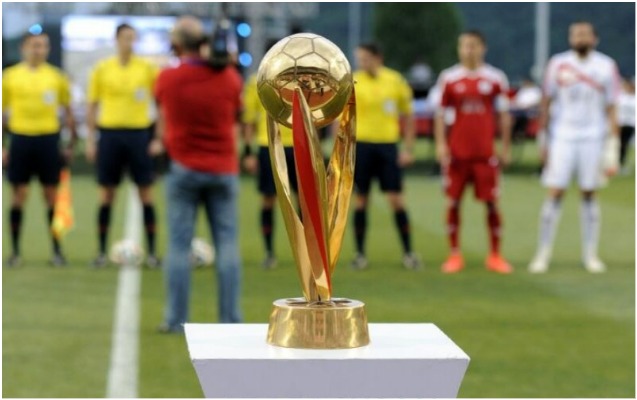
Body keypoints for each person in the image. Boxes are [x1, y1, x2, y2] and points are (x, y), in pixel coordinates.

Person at [155, 16, 243, 331]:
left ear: (177, 44)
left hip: (184, 168)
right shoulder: (230, 77)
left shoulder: (167, 78)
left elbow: (162, 114)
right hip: (223, 168)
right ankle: (230, 320)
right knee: (227, 244)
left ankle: (175, 319)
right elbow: (236, 114)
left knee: (179, 246)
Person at [529, 21, 621, 274]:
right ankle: (543, 253)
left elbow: (612, 106)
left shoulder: (606, 66)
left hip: (593, 137)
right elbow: (546, 102)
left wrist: (613, 145)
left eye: (585, 34)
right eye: (576, 34)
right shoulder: (558, 63)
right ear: (570, 38)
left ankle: (590, 254)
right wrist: (542, 139)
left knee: (589, 193)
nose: (580, 38)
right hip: (562, 136)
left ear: (594, 38)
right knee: (555, 192)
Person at [433, 30, 513, 274]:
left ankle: (495, 255)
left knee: (491, 203)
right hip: (457, 154)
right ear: (459, 49)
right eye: (464, 46)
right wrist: (441, 144)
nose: (468, 50)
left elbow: (504, 116)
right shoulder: (449, 78)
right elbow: (440, 115)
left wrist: (505, 147)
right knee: (453, 202)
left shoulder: (495, 78)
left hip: (485, 154)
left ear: (482, 48)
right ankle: (454, 254)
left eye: (473, 45)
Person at [85, 23, 161, 268]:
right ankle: (100, 252)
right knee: (107, 194)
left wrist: (157, 137)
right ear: (116, 39)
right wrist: (91, 139)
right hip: (110, 135)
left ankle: (152, 253)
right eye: (126, 37)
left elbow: (160, 104)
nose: (130, 42)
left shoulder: (147, 68)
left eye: (133, 38)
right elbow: (92, 106)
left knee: (146, 192)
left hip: (139, 134)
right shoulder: (102, 68)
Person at [2, 31, 77, 267]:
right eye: (34, 45)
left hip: (48, 141)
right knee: (19, 195)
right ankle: (15, 252)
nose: (39, 50)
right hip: (20, 140)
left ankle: (57, 251)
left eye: (43, 45)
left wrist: (70, 144)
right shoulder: (10, 77)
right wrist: (3, 146)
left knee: (51, 196)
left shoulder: (56, 77)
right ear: (24, 48)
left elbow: (68, 113)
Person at [350, 43, 421, 270]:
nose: (362, 63)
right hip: (361, 146)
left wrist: (408, 149)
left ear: (378, 58)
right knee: (361, 200)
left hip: (387, 147)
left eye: (366, 58)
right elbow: (343, 118)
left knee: (396, 200)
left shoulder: (395, 80)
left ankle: (408, 253)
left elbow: (408, 117)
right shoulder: (353, 81)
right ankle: (360, 255)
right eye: (360, 59)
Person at [242, 40, 298, 269]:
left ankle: (307, 252)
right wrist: (248, 152)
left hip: (297, 146)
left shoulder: (298, 80)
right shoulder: (255, 82)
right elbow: (248, 121)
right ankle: (269, 252)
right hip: (269, 146)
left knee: (304, 201)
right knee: (268, 199)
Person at [618, 77, 635, 173]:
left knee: (625, 144)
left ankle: (622, 163)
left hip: (630, 124)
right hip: (621, 123)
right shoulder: (621, 97)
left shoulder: (634, 98)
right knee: (619, 144)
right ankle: (617, 163)